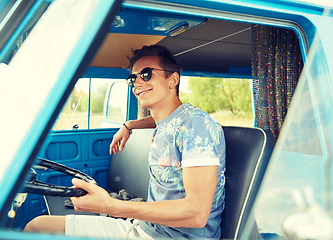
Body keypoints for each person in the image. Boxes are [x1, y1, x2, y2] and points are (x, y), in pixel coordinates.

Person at [24, 45, 226, 239]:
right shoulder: (169, 121)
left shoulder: (196, 125)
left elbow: (197, 214)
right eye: (133, 78)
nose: (137, 83)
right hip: (143, 227)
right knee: (38, 227)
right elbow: (159, 121)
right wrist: (129, 125)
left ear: (173, 79)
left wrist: (110, 206)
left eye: (146, 74)